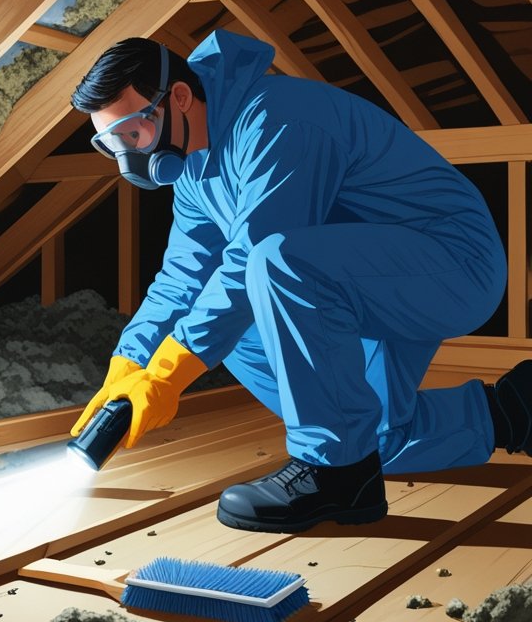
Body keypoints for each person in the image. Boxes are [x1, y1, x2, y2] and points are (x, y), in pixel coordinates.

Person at [68, 29, 532, 533]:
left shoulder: (275, 119)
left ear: (177, 98)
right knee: (371, 435)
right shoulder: (196, 173)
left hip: (450, 265)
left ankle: (334, 472)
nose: (127, 157)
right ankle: (513, 411)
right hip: (354, 285)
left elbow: (258, 250)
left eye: (132, 134)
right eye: (111, 143)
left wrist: (166, 375)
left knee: (274, 264)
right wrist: (129, 363)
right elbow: (181, 277)